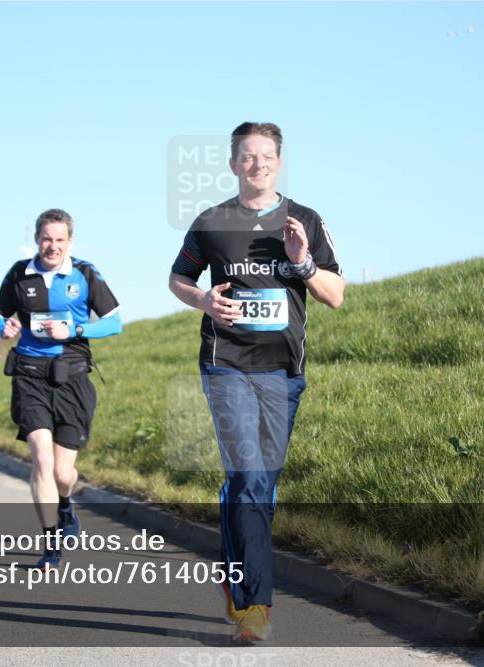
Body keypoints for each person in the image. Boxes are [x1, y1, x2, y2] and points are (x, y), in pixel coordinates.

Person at [168, 122, 344, 642]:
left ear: (279, 162)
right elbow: (178, 277)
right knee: (248, 474)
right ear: (233, 164)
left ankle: (233, 567)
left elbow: (335, 293)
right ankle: (254, 607)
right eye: (248, 157)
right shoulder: (212, 222)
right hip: (226, 365)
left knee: (258, 485)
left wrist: (302, 262)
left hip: (283, 372)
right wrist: (202, 299)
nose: (258, 164)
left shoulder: (305, 219)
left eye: (266, 156)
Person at [0, 208, 122, 569]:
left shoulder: (85, 273)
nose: (53, 246)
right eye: (47, 239)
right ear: (37, 239)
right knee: (42, 461)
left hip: (73, 377)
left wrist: (75, 331)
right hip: (30, 374)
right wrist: (1, 328)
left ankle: (66, 505)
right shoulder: (19, 274)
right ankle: (50, 544)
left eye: (59, 240)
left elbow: (114, 323)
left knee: (64, 473)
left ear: (70, 241)